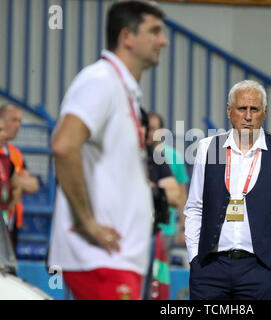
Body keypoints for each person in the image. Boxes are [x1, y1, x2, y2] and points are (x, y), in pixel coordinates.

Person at [48, 1, 167, 300]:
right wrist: (87, 222)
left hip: (116, 259)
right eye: (154, 32)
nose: (163, 41)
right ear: (127, 37)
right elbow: (63, 145)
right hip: (102, 259)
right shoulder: (101, 81)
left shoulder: (120, 88)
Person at [184, 80, 271, 300]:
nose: (248, 116)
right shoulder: (209, 148)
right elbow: (194, 208)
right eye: (242, 108)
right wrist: (194, 259)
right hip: (210, 268)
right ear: (229, 111)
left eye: (254, 109)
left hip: (261, 271)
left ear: (264, 113)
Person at [147, 112, 189, 255]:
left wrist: (183, 228)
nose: (149, 132)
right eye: (147, 127)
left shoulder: (174, 157)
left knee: (161, 276)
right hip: (141, 227)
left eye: (154, 129)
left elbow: (182, 194)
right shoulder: (137, 154)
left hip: (165, 229)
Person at [0, 104, 39, 250]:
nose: (18, 125)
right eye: (14, 120)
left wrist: (11, 179)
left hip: (11, 221)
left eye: (20, 121)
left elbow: (33, 185)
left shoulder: (15, 153)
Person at [0, 117, 22, 237]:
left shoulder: (6, 162)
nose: (4, 135)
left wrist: (6, 210)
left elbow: (17, 187)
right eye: (0, 130)